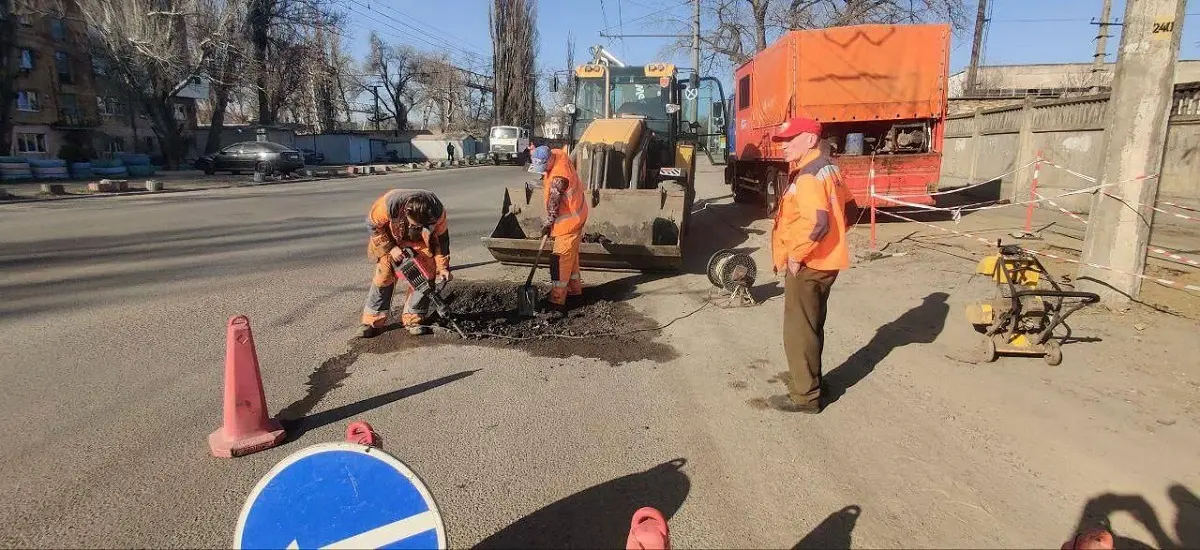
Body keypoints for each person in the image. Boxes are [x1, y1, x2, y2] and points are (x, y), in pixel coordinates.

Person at [765, 117, 855, 414]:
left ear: (811, 139)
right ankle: (812, 380)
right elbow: (850, 209)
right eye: (783, 141)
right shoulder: (829, 168)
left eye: (791, 140)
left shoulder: (807, 176)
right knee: (813, 324)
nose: (784, 146)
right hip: (826, 261)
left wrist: (795, 256)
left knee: (799, 329)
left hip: (808, 264)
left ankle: (805, 396)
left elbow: (817, 223)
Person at [359, 189, 452, 338]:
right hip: (389, 238)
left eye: (422, 225)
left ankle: (413, 318)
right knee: (384, 276)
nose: (418, 227)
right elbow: (373, 225)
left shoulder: (437, 212)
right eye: (415, 224)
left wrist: (443, 267)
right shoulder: (389, 204)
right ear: (406, 212)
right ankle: (371, 321)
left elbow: (442, 241)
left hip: (418, 242)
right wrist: (391, 248)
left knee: (427, 274)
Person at [527, 145, 587, 313]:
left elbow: (554, 204)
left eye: (544, 166)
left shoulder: (559, 178)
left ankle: (556, 300)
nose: (543, 171)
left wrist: (548, 222)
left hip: (569, 221)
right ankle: (575, 292)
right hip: (577, 213)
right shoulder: (558, 153)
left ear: (550, 160)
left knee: (560, 259)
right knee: (570, 258)